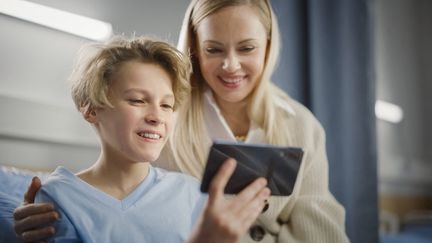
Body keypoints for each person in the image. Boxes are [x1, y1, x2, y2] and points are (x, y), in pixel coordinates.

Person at [14, 0, 350, 242]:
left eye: (246, 48)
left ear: (268, 46)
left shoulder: (301, 125)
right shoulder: (164, 122)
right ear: (194, 48)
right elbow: (115, 194)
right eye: (214, 50)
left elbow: (320, 229)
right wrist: (54, 204)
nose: (231, 65)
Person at [11, 35, 270, 243]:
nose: (157, 116)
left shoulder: (191, 193)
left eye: (167, 105)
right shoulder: (59, 198)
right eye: (137, 100)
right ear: (91, 110)